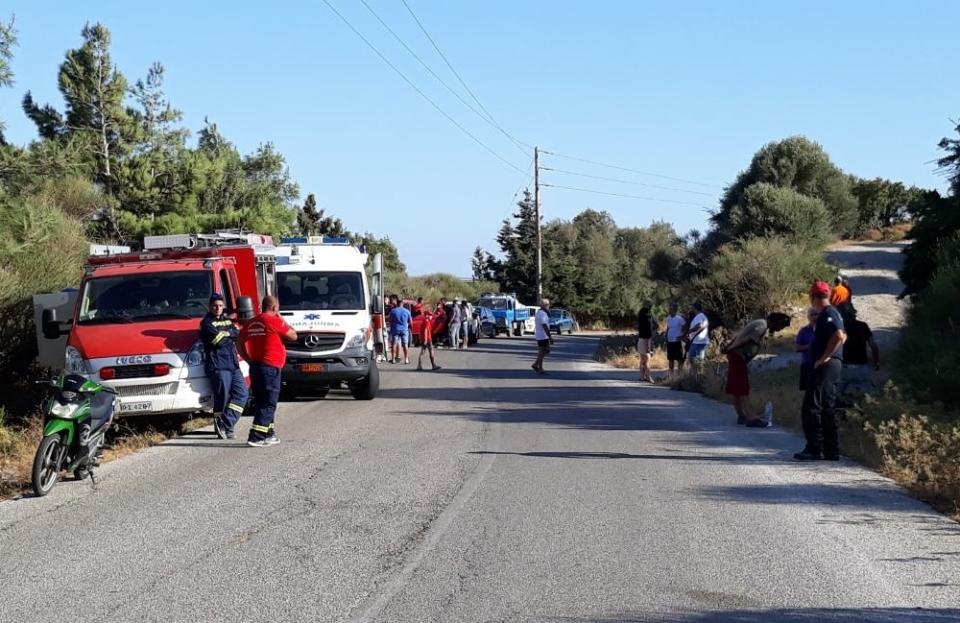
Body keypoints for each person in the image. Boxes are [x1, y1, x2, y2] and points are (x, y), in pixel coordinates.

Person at [795, 281, 847, 461]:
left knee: (812, 406)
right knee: (826, 406)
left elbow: (839, 335)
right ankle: (831, 450)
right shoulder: (831, 313)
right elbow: (843, 335)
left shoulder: (828, 314)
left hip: (826, 365)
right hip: (832, 364)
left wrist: (825, 356)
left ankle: (814, 448)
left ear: (813, 296)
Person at [240, 295, 297, 448]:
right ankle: (256, 436)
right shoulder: (273, 320)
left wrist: (247, 358)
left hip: (256, 366)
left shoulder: (252, 322)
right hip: (270, 367)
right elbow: (293, 335)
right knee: (269, 402)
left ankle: (268, 433)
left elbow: (239, 340)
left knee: (261, 401)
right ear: (275, 307)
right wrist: (281, 318)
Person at [720, 312, 791, 427]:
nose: (780, 329)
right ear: (776, 322)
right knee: (742, 387)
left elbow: (740, 336)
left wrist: (730, 348)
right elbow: (743, 339)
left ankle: (742, 416)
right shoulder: (761, 326)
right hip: (738, 356)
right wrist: (730, 348)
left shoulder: (761, 324)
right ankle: (750, 418)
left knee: (736, 387)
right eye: (781, 326)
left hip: (738, 357)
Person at [200, 293, 247, 440]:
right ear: (210, 306)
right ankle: (225, 429)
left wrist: (228, 334)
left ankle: (226, 423)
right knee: (223, 398)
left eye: (220, 305)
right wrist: (230, 334)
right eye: (215, 306)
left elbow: (237, 333)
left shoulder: (227, 320)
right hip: (218, 365)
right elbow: (218, 341)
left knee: (242, 394)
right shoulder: (206, 323)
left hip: (233, 365)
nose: (218, 308)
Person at [841, 308, 880, 395]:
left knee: (838, 395)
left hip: (844, 366)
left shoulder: (840, 327)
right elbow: (873, 346)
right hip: (861, 366)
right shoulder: (863, 326)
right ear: (855, 315)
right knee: (865, 396)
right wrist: (876, 362)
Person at [795, 307, 818, 392]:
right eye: (812, 315)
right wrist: (809, 346)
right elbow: (797, 348)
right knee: (807, 390)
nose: (815, 317)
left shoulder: (824, 330)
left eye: (817, 314)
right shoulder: (803, 331)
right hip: (807, 364)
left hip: (821, 363)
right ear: (808, 317)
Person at [532, 298, 554, 374]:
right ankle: (540, 368)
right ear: (544, 305)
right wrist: (550, 336)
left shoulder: (539, 312)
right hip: (542, 335)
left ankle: (536, 364)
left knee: (546, 350)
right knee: (542, 351)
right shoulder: (542, 314)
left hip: (540, 334)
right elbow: (544, 325)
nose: (549, 306)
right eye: (548, 305)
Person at [388, 295, 412, 364]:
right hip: (404, 329)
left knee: (394, 344)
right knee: (405, 344)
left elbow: (390, 320)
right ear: (402, 303)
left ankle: (393, 359)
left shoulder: (393, 311)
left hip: (395, 329)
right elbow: (410, 322)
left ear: (397, 303)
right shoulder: (407, 311)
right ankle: (406, 359)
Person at [636, 302, 657, 383]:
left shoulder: (641, 321)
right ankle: (648, 377)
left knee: (642, 360)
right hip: (645, 342)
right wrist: (649, 346)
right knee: (647, 360)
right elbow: (649, 335)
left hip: (640, 341)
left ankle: (642, 376)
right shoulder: (648, 322)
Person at [665, 303, 687, 377]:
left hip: (677, 342)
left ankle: (679, 376)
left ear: (675, 309)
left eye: (670, 308)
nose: (669, 310)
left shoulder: (679, 319)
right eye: (669, 308)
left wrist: (682, 336)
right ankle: (671, 376)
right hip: (670, 341)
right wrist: (666, 336)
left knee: (679, 359)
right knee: (670, 359)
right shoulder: (668, 318)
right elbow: (668, 328)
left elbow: (685, 327)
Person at [417, 307, 442, 371]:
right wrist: (425, 339)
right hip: (427, 339)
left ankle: (419, 366)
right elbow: (425, 330)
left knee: (422, 352)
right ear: (427, 315)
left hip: (424, 338)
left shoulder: (425, 321)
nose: (431, 316)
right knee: (431, 351)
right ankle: (433, 365)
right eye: (430, 315)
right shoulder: (426, 321)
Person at [686, 303, 710, 368]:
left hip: (699, 342)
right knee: (696, 360)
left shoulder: (699, 316)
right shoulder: (701, 316)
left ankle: (697, 375)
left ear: (694, 308)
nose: (691, 309)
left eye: (692, 308)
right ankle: (697, 375)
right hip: (699, 341)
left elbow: (698, 326)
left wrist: (689, 331)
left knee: (694, 359)